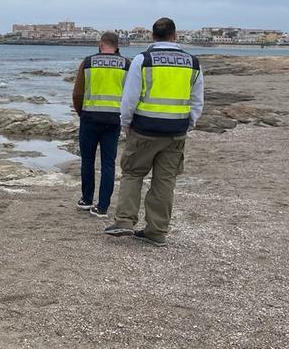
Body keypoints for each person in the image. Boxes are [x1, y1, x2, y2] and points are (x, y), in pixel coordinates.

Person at [104, 18, 204, 247]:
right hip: (176, 131)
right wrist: (190, 123)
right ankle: (157, 231)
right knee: (165, 181)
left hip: (145, 128)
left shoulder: (143, 60)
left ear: (152, 36)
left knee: (132, 172)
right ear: (175, 35)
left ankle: (125, 221)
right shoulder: (192, 62)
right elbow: (197, 100)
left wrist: (125, 123)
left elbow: (130, 97)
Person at [71, 32, 129, 218]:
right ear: (117, 45)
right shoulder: (126, 64)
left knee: (87, 160)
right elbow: (131, 94)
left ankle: (87, 199)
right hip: (113, 118)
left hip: (90, 116)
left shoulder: (88, 62)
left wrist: (81, 112)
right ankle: (103, 206)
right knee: (108, 163)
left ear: (100, 44)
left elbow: (78, 93)